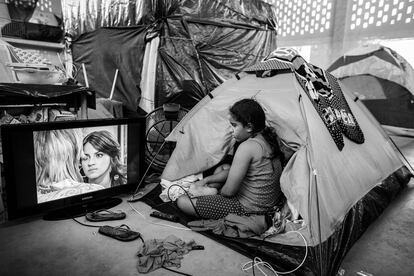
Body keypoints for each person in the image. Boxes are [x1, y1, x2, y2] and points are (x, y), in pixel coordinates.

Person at [177, 98, 285, 219]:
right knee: (224, 168)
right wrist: (207, 180)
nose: (231, 130)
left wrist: (214, 193)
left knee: (182, 201)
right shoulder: (266, 138)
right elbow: (236, 171)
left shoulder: (247, 147)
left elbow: (228, 192)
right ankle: (209, 189)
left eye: (234, 125)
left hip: (250, 210)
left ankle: (209, 196)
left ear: (249, 127)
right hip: (268, 204)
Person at [34, 129, 104, 203]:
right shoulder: (92, 191)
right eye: (85, 156)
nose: (90, 162)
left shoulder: (29, 199)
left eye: (99, 155)